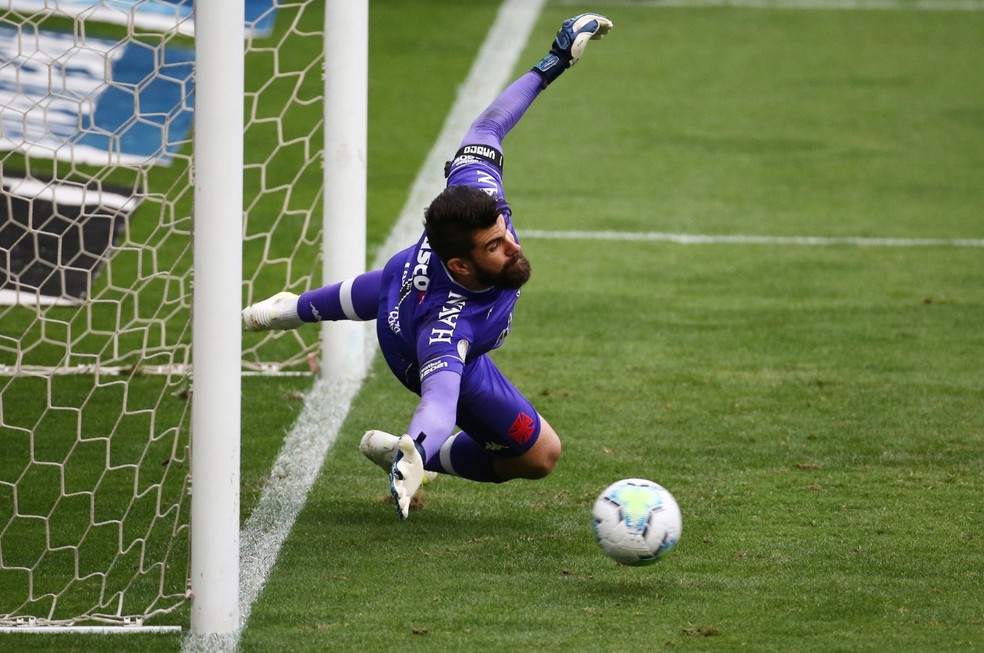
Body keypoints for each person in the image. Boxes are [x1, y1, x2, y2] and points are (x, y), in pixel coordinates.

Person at [242, 13, 613, 519]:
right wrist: (418, 447)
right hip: (411, 346)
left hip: (400, 282)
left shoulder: (477, 196)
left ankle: (294, 308)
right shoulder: (447, 327)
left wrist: (553, 61)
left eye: (504, 231)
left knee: (389, 283)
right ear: (461, 265)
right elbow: (440, 397)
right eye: (495, 246)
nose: (512, 247)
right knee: (541, 456)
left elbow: (488, 126)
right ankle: (415, 456)